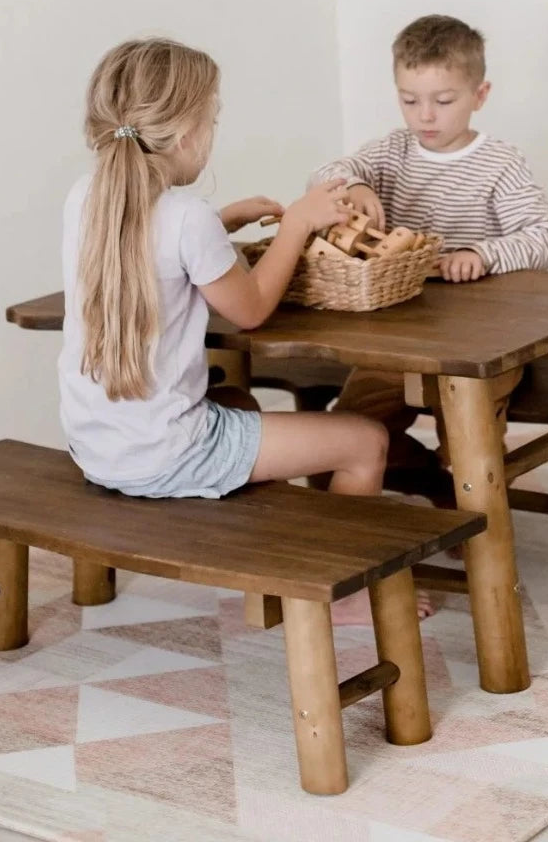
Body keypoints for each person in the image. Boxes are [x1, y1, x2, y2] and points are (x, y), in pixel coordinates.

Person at [58, 37, 431, 623]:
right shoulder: (185, 217)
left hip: (97, 446)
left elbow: (157, 248)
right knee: (365, 440)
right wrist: (298, 224)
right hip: (165, 455)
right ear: (185, 135)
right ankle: (342, 594)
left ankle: (289, 542)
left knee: (234, 400)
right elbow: (251, 308)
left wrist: (222, 219)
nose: (213, 132)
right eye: (213, 119)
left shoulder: (88, 198)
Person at [311, 15, 548, 474]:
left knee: (470, 446)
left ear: (479, 96)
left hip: (483, 341)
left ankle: (472, 515)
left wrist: (483, 254)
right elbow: (324, 174)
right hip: (400, 338)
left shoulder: (500, 163)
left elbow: (545, 238)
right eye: (410, 101)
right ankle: (409, 489)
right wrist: (353, 185)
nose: (425, 115)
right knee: (348, 427)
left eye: (443, 101)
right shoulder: (391, 152)